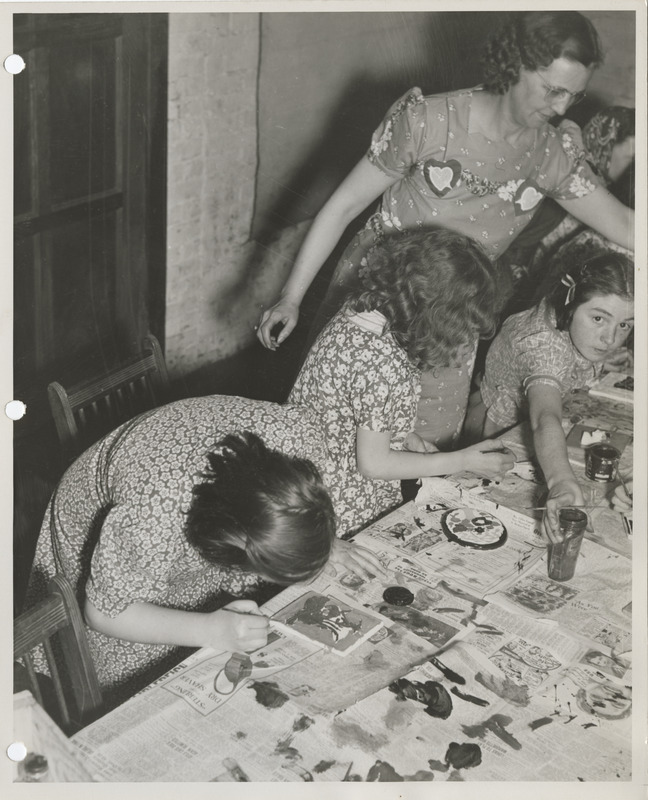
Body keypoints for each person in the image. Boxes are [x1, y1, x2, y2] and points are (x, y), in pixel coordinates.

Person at [258, 11, 634, 443]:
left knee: (428, 444)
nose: (562, 108)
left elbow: (626, 225)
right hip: (376, 300)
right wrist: (291, 297)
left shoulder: (552, 154)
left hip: (455, 317)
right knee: (338, 436)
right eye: (553, 90)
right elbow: (343, 206)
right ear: (514, 65)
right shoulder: (429, 121)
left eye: (574, 96)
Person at [25, 394, 346, 702]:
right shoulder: (153, 514)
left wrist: (313, 539)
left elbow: (293, 511)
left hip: (171, 488)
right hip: (99, 523)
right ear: (236, 539)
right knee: (149, 679)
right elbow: (104, 614)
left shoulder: (297, 439)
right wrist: (208, 629)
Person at [288, 228, 515, 537]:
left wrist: (406, 439)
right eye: (464, 330)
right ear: (440, 318)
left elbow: (354, 411)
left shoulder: (362, 314)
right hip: (338, 504)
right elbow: (374, 464)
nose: (466, 342)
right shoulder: (382, 363)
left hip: (310, 476)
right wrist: (462, 459)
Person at [463, 250, 634, 542]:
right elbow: (544, 417)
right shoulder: (543, 347)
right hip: (495, 432)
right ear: (571, 304)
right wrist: (561, 480)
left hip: (540, 428)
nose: (610, 339)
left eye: (624, 325)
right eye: (598, 319)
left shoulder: (568, 311)